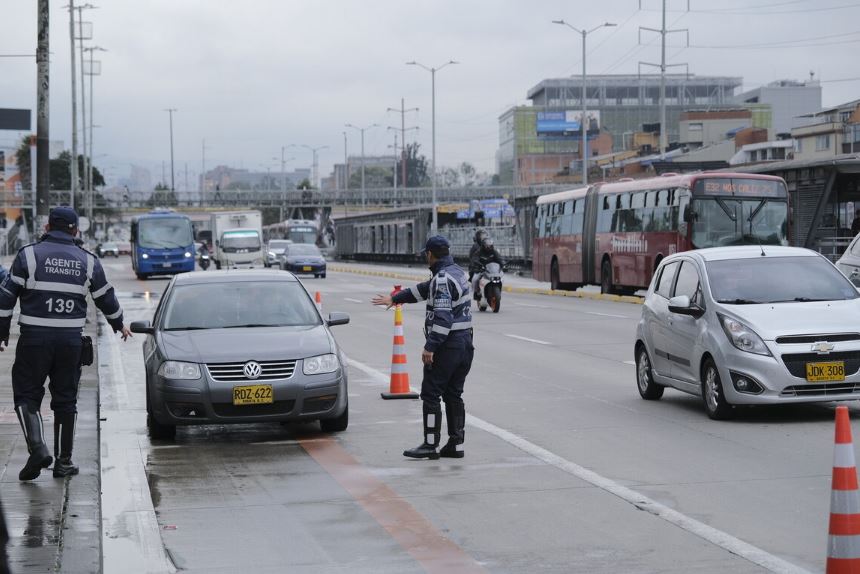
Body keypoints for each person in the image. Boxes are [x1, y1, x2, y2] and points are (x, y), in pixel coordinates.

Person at [0, 207, 132, 481]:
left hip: (34, 339)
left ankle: (37, 448)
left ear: (47, 226)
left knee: (26, 394)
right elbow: (105, 297)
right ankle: (63, 462)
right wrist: (119, 324)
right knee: (66, 400)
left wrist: (1, 334)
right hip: (70, 342)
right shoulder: (88, 261)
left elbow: (5, 300)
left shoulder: (28, 255)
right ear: (75, 230)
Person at [371, 236, 474, 460]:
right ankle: (456, 444)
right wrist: (395, 298)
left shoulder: (443, 279)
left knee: (430, 393)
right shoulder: (456, 273)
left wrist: (430, 347)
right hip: (465, 343)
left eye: (425, 254)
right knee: (453, 394)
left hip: (449, 345)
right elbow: (422, 290)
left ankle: (430, 444)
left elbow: (443, 318)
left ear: (430, 254)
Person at [470, 237, 506, 302]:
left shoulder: (494, 252)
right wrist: (477, 264)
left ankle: (498, 290)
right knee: (475, 279)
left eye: (490, 246)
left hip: (492, 271)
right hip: (481, 269)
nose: (489, 247)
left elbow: (499, 258)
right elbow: (474, 259)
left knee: (502, 277)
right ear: (483, 245)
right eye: (487, 246)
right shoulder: (479, 252)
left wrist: (503, 264)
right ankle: (476, 293)